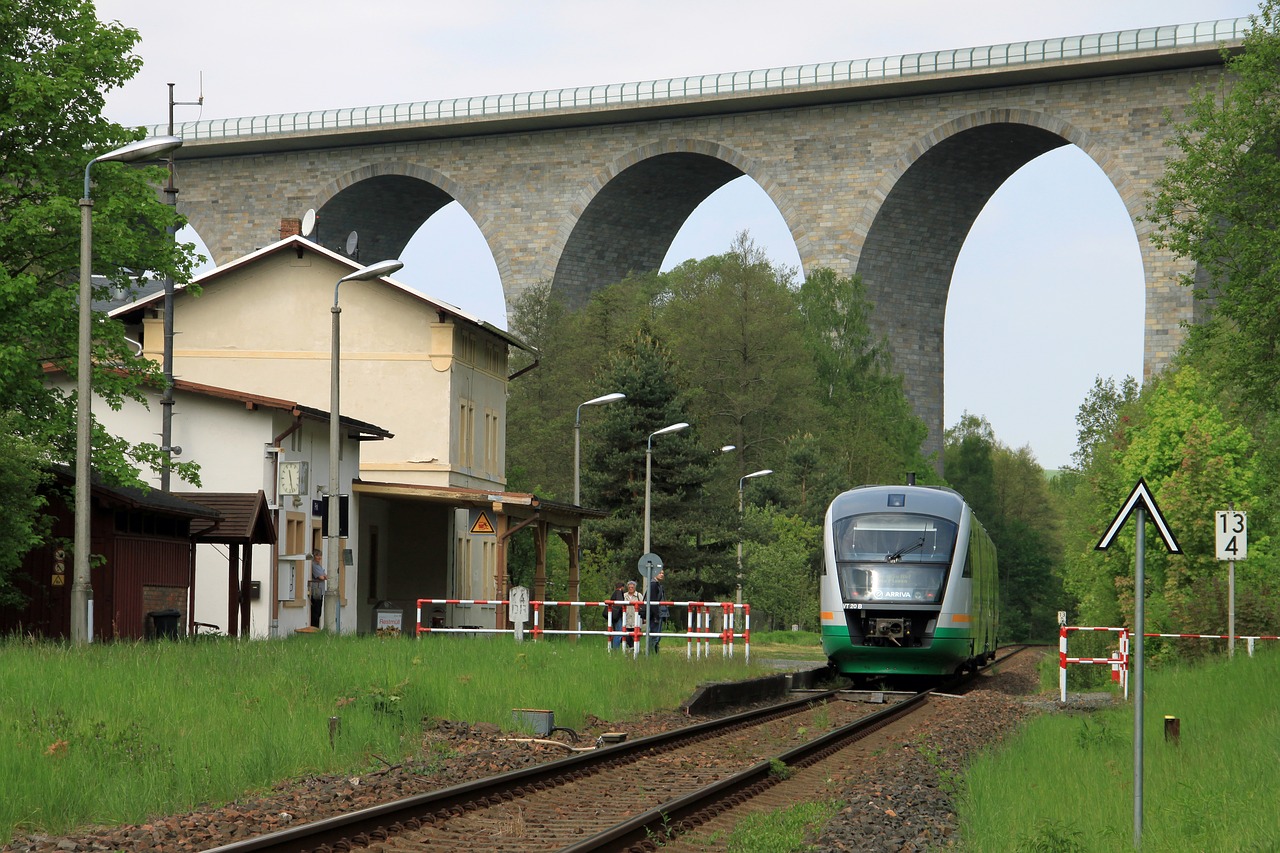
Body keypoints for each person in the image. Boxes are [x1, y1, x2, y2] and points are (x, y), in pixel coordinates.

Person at [647, 569, 667, 652]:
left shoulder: (657, 585)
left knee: (656, 635)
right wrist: (656, 615)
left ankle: (654, 652)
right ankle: (652, 653)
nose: (662, 575)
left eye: (663, 573)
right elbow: (653, 601)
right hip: (656, 614)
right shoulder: (653, 585)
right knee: (655, 635)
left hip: (659, 613)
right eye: (660, 573)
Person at [621, 580, 643, 649]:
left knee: (636, 636)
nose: (631, 588)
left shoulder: (639, 596)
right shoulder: (624, 595)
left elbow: (643, 606)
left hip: (636, 619)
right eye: (629, 587)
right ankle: (631, 647)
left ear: (635, 588)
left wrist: (644, 618)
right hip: (626, 619)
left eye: (632, 587)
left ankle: (636, 650)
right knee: (626, 635)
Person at [309, 549, 327, 628]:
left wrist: (324, 576)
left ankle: (316, 628)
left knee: (319, 611)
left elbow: (325, 576)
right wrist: (324, 576)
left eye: (320, 555)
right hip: (316, 591)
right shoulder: (314, 565)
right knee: (316, 611)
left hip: (320, 591)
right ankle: (314, 627)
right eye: (317, 555)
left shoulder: (318, 565)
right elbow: (322, 577)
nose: (319, 557)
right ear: (314, 556)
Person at [607, 581, 626, 649]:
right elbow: (620, 603)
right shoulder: (619, 593)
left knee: (615, 632)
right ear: (622, 587)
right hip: (617, 616)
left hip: (613, 615)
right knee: (619, 632)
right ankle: (615, 649)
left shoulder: (614, 593)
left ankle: (612, 648)